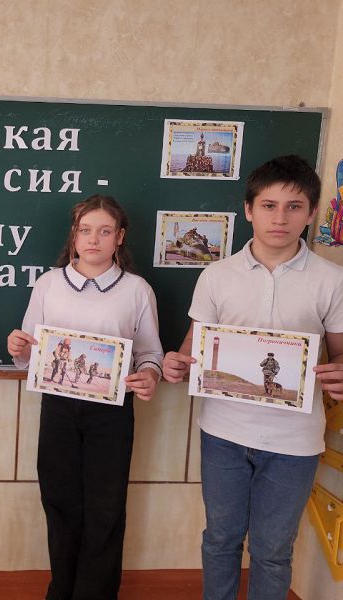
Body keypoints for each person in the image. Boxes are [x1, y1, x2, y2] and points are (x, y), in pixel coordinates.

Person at [162, 155, 343, 600]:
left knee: (273, 551)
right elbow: (192, 347)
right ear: (248, 209)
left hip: (294, 442)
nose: (280, 218)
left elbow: (341, 353)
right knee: (220, 539)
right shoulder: (216, 276)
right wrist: (177, 364)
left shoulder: (332, 280)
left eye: (294, 206)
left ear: (311, 212)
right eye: (268, 205)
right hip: (223, 432)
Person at [7, 194, 163, 600]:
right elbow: (29, 355)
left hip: (112, 412)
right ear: (74, 236)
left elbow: (150, 353)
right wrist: (18, 348)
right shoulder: (48, 284)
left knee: (105, 508)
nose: (94, 239)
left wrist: (149, 374)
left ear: (120, 237)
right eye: (85, 230)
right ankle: (62, 590)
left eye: (105, 231)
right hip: (58, 408)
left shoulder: (137, 290)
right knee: (59, 502)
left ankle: (96, 594)